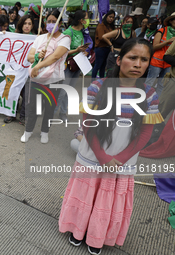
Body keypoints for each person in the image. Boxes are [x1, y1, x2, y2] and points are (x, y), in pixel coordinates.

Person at [59, 38, 163, 255]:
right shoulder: (98, 86)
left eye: (144, 59)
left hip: (122, 162)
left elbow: (145, 132)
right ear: (119, 59)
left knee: (107, 200)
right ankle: (78, 230)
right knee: (86, 195)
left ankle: (98, 236)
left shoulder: (150, 95)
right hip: (93, 155)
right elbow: (88, 124)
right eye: (132, 57)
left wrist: (121, 158)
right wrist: (103, 156)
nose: (138, 64)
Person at [21, 10, 70, 144]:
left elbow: (55, 57)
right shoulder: (40, 38)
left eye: (54, 21)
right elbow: (29, 57)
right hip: (37, 79)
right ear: (45, 22)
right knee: (33, 107)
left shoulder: (65, 39)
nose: (51, 24)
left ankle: (44, 132)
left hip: (55, 79)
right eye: (48, 21)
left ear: (60, 23)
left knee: (49, 108)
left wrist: (37, 66)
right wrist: (37, 56)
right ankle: (28, 131)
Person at [54, 10, 89, 121]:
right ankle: (52, 113)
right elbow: (60, 51)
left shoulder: (82, 32)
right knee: (62, 91)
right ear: (81, 20)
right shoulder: (68, 32)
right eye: (87, 18)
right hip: (67, 66)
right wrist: (76, 50)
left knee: (70, 91)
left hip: (77, 65)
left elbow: (80, 47)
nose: (88, 20)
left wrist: (83, 51)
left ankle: (63, 113)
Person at [3, 14, 34, 125]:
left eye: (29, 24)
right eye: (25, 23)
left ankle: (23, 116)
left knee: (27, 94)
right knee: (13, 91)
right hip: (16, 70)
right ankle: (11, 113)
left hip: (29, 70)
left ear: (32, 26)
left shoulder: (36, 38)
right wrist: (3, 35)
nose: (27, 26)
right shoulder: (14, 37)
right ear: (21, 25)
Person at [145, 12, 175, 96]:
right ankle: (144, 101)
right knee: (149, 83)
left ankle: (157, 104)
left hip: (169, 63)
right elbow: (154, 46)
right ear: (171, 21)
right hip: (157, 61)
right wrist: (168, 41)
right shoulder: (162, 31)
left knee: (162, 84)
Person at [91, 9, 115, 80]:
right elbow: (102, 37)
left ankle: (101, 81)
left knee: (103, 66)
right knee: (97, 65)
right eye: (110, 17)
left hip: (107, 48)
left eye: (113, 17)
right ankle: (92, 81)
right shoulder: (101, 24)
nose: (111, 19)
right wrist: (110, 40)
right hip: (100, 48)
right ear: (106, 16)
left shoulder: (110, 26)